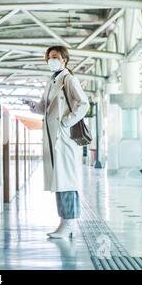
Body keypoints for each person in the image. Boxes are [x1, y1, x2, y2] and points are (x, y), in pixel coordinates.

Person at [25, 46, 89, 239]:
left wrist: (65, 122)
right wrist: (33, 106)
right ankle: (64, 221)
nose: (50, 60)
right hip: (54, 139)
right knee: (59, 181)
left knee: (66, 180)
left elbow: (83, 104)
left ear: (64, 60)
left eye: (54, 57)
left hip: (63, 138)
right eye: (48, 57)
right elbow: (45, 107)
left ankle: (68, 223)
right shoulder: (52, 81)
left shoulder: (69, 79)